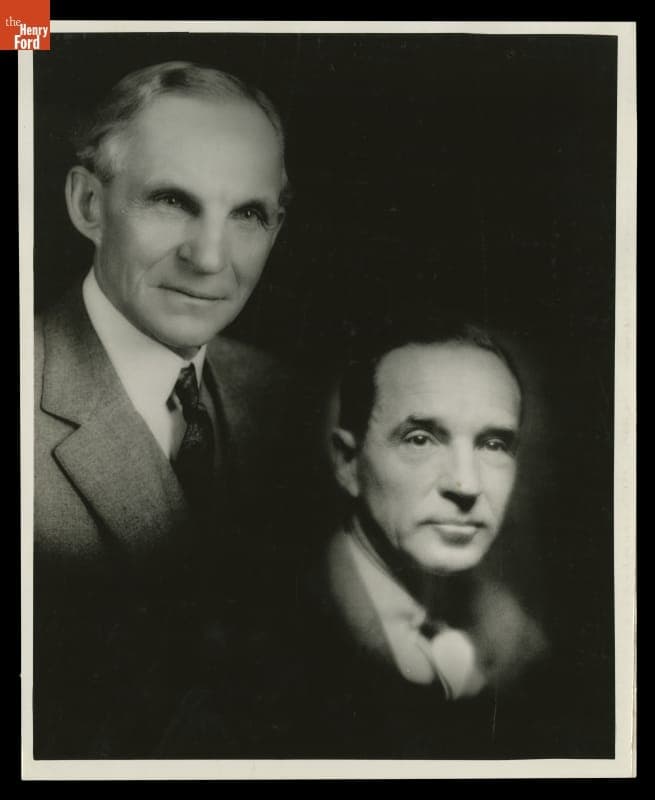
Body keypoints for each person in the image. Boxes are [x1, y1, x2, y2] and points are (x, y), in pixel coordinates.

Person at [33, 61, 295, 758]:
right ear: (88, 205)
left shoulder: (284, 395)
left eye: (247, 214)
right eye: (171, 202)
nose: (210, 258)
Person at [286, 318, 549, 758]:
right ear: (348, 462)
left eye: (494, 444)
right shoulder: (271, 651)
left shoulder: (523, 643)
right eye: (421, 439)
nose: (466, 486)